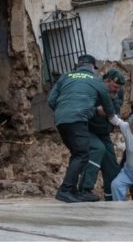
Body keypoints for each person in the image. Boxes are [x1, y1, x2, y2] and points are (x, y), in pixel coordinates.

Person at [47, 54, 115, 203]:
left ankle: (73, 191)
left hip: (61, 120)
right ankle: (65, 190)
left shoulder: (65, 77)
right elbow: (108, 105)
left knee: (77, 153)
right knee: (83, 154)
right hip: (77, 120)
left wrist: (63, 111)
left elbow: (51, 100)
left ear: (78, 65)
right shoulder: (96, 81)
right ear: (92, 67)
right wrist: (112, 118)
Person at [78, 69, 126, 201]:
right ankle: (84, 189)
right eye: (114, 86)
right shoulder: (93, 88)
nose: (116, 90)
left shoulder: (118, 92)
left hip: (104, 132)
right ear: (106, 81)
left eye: (119, 87)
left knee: (111, 165)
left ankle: (112, 198)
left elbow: (117, 108)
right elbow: (82, 109)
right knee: (98, 149)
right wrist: (96, 111)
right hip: (88, 129)